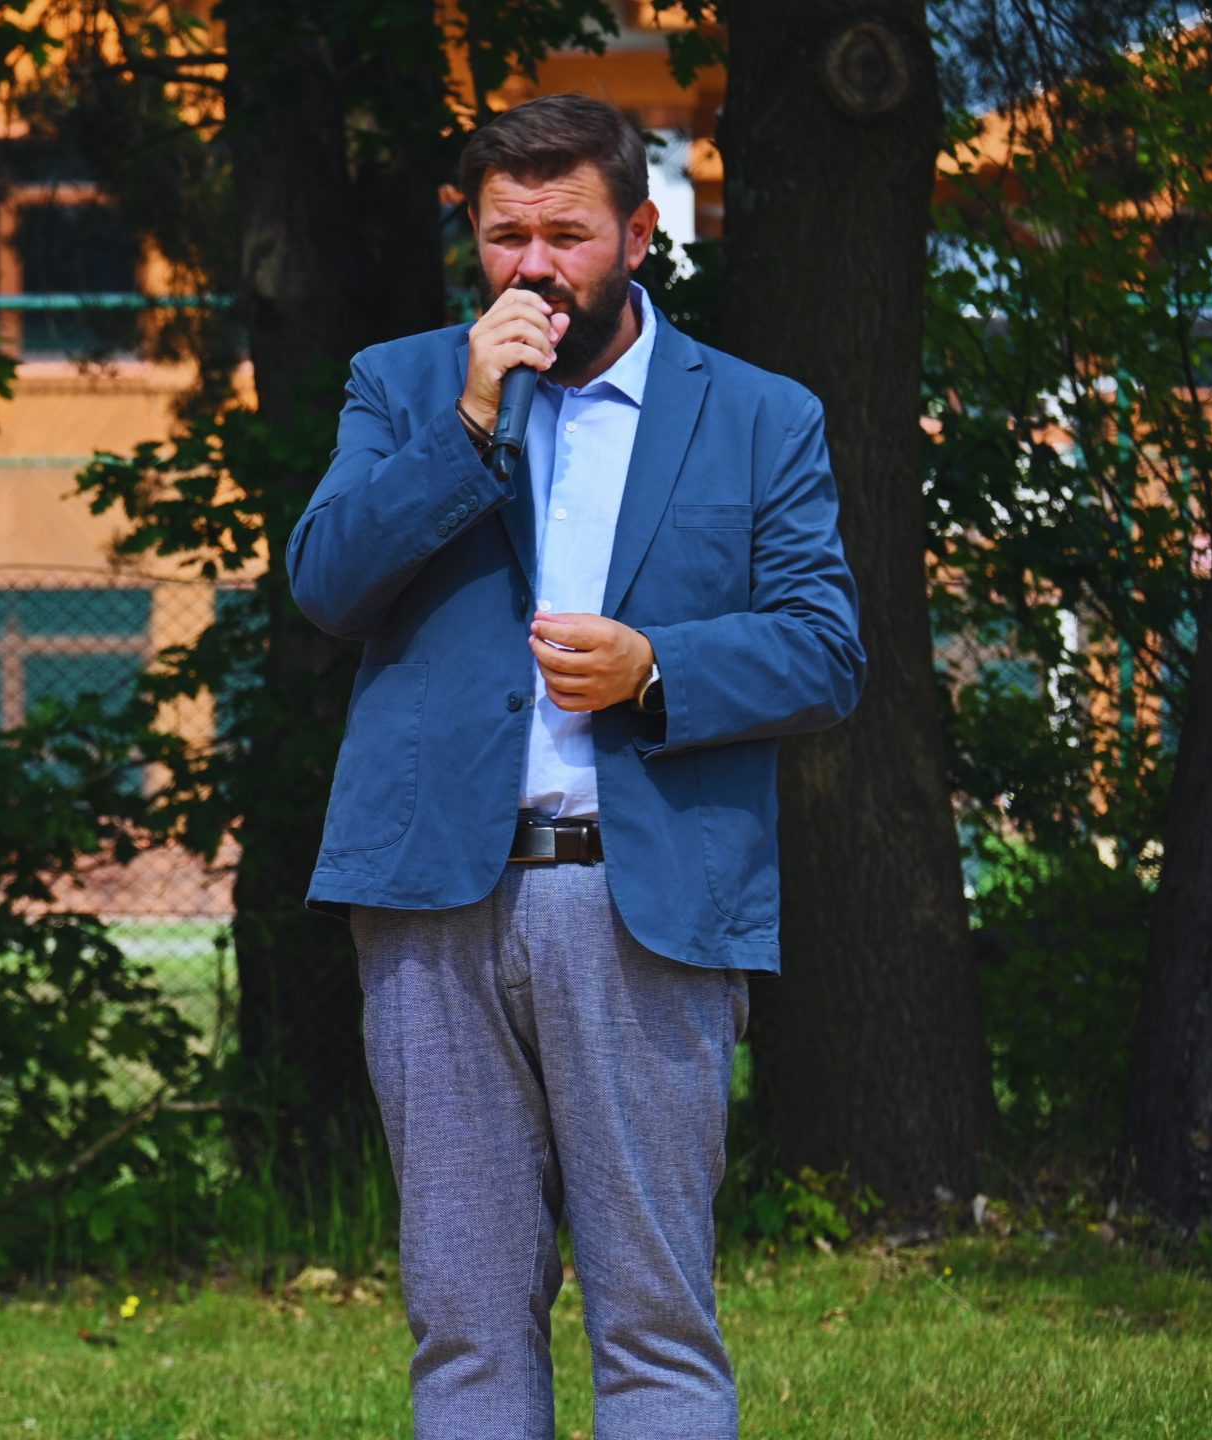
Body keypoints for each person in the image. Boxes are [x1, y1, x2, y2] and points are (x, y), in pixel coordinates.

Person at [286, 94, 865, 1438]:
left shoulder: (759, 415)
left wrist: (657, 668)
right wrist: (469, 420)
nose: (535, 268)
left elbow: (827, 650)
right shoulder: (404, 384)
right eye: (506, 237)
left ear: (640, 235)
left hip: (638, 897)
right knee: (464, 1324)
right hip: (431, 898)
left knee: (655, 1321)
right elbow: (326, 582)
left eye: (568, 236)